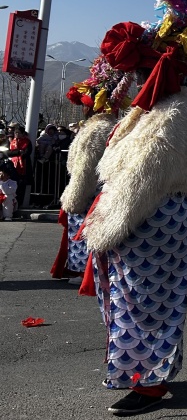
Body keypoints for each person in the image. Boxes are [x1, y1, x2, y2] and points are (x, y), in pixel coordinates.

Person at [80, 0, 187, 415]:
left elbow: (140, 183)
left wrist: (103, 228)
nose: (133, 84)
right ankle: (150, 377)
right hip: (149, 220)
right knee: (140, 302)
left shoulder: (173, 114)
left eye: (140, 75)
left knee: (145, 306)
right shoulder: (154, 111)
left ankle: (147, 385)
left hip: (150, 218)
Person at [52, 54, 128, 283]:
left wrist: (75, 196)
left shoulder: (96, 131)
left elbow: (86, 168)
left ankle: (84, 272)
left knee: (84, 233)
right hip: (100, 191)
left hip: (90, 192)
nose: (81, 110)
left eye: (84, 106)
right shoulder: (109, 126)